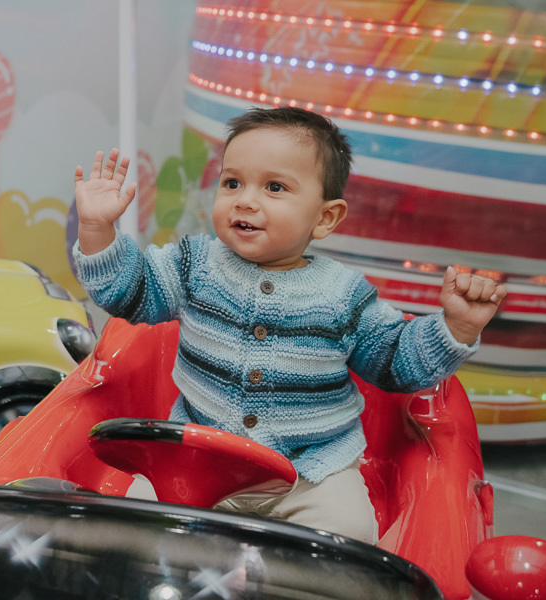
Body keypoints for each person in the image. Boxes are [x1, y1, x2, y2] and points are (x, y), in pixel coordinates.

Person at [71, 106, 507, 544]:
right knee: (131, 526)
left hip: (311, 472)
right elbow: (130, 290)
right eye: (232, 182)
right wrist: (96, 229)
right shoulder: (194, 265)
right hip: (197, 462)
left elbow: (395, 360)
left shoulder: (342, 294)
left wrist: (458, 326)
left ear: (324, 218)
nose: (244, 199)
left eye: (274, 187)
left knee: (351, 537)